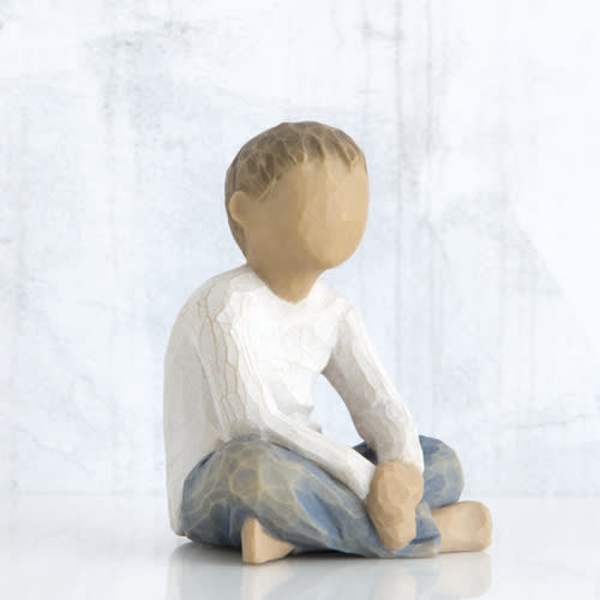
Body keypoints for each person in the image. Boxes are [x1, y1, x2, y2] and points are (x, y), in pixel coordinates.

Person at [163, 121, 492, 564]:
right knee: (256, 471)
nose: (341, 215)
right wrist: (366, 481)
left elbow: (381, 406)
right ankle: (437, 533)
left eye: (352, 201)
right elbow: (251, 423)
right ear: (244, 210)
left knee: (439, 460)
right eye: (319, 201)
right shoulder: (222, 305)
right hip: (221, 482)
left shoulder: (335, 311)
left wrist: (402, 472)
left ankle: (291, 537)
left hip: (311, 471)